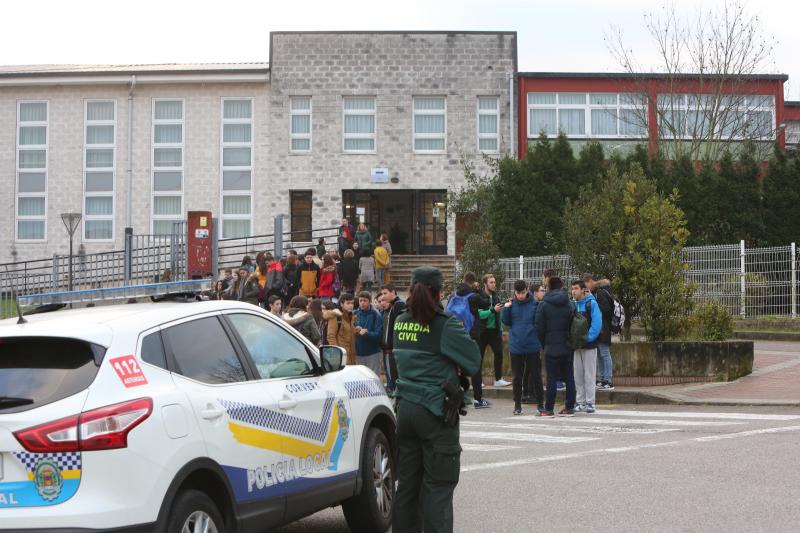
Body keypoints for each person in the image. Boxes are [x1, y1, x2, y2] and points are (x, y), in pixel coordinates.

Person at [392, 266, 481, 533]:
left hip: (405, 410)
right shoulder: (444, 324)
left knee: (407, 486)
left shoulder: (399, 321)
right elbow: (474, 361)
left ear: (411, 289)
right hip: (435, 412)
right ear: (439, 292)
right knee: (438, 487)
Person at [534, 276, 576, 417]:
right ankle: (569, 407)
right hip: (567, 345)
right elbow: (574, 324)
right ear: (561, 286)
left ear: (549, 287)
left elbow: (539, 328)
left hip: (551, 345)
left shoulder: (544, 304)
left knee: (551, 378)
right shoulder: (569, 303)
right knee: (569, 377)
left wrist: (544, 343)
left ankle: (549, 408)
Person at [502, 280, 543, 415]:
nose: (520, 295)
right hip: (516, 346)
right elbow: (506, 322)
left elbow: (539, 323)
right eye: (518, 293)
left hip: (532, 345)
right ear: (514, 292)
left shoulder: (535, 304)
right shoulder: (511, 304)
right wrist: (506, 308)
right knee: (517, 378)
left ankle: (540, 405)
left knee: (536, 376)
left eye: (523, 292)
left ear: (527, 290)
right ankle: (517, 405)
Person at [570, 279, 602, 414]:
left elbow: (597, 324)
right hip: (576, 345)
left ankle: (590, 402)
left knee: (589, 374)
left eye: (576, 288)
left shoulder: (591, 303)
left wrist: (587, 338)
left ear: (583, 289)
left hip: (588, 344)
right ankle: (580, 402)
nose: (573, 291)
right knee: (578, 374)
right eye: (572, 288)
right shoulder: (572, 304)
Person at [583, 273, 615, 391]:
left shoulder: (600, 293)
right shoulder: (597, 293)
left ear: (590, 281)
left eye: (586, 285)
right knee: (601, 354)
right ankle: (602, 379)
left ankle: (608, 380)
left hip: (604, 328)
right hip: (601, 328)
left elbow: (606, 310)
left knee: (605, 354)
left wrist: (594, 304)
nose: (586, 288)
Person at [479, 274, 509, 388]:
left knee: (499, 353)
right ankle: (479, 381)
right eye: (491, 282)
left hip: (495, 330)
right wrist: (492, 310)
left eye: (494, 282)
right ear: (485, 284)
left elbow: (499, 312)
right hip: (482, 330)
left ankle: (498, 379)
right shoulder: (479, 297)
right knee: (479, 356)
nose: (493, 284)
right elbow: (479, 314)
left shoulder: (496, 296)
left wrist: (500, 329)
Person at [522, 283, 547, 404]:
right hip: (533, 340)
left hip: (528, 340)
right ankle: (530, 394)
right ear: (535, 293)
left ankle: (526, 393)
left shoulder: (532, 304)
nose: (544, 292)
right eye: (542, 290)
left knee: (528, 368)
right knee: (533, 368)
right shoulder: (535, 305)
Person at [379, 283, 406, 393]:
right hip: (387, 347)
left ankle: (394, 395)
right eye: (382, 294)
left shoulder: (399, 305)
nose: (383, 296)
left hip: (393, 348)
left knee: (393, 376)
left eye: (385, 293)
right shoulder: (390, 306)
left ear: (393, 292)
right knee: (390, 375)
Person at [354, 291, 383, 375]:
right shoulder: (355, 314)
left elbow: (378, 335)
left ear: (370, 301)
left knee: (373, 377)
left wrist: (366, 333)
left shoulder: (376, 315)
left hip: (372, 353)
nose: (362, 303)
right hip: (358, 352)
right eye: (361, 300)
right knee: (360, 378)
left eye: (365, 301)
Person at [325, 293, 358, 365]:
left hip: (351, 356)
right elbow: (330, 337)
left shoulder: (351, 317)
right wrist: (337, 354)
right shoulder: (336, 316)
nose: (351, 305)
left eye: (352, 303)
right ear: (341, 304)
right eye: (348, 303)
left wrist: (357, 331)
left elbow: (348, 334)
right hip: (341, 356)